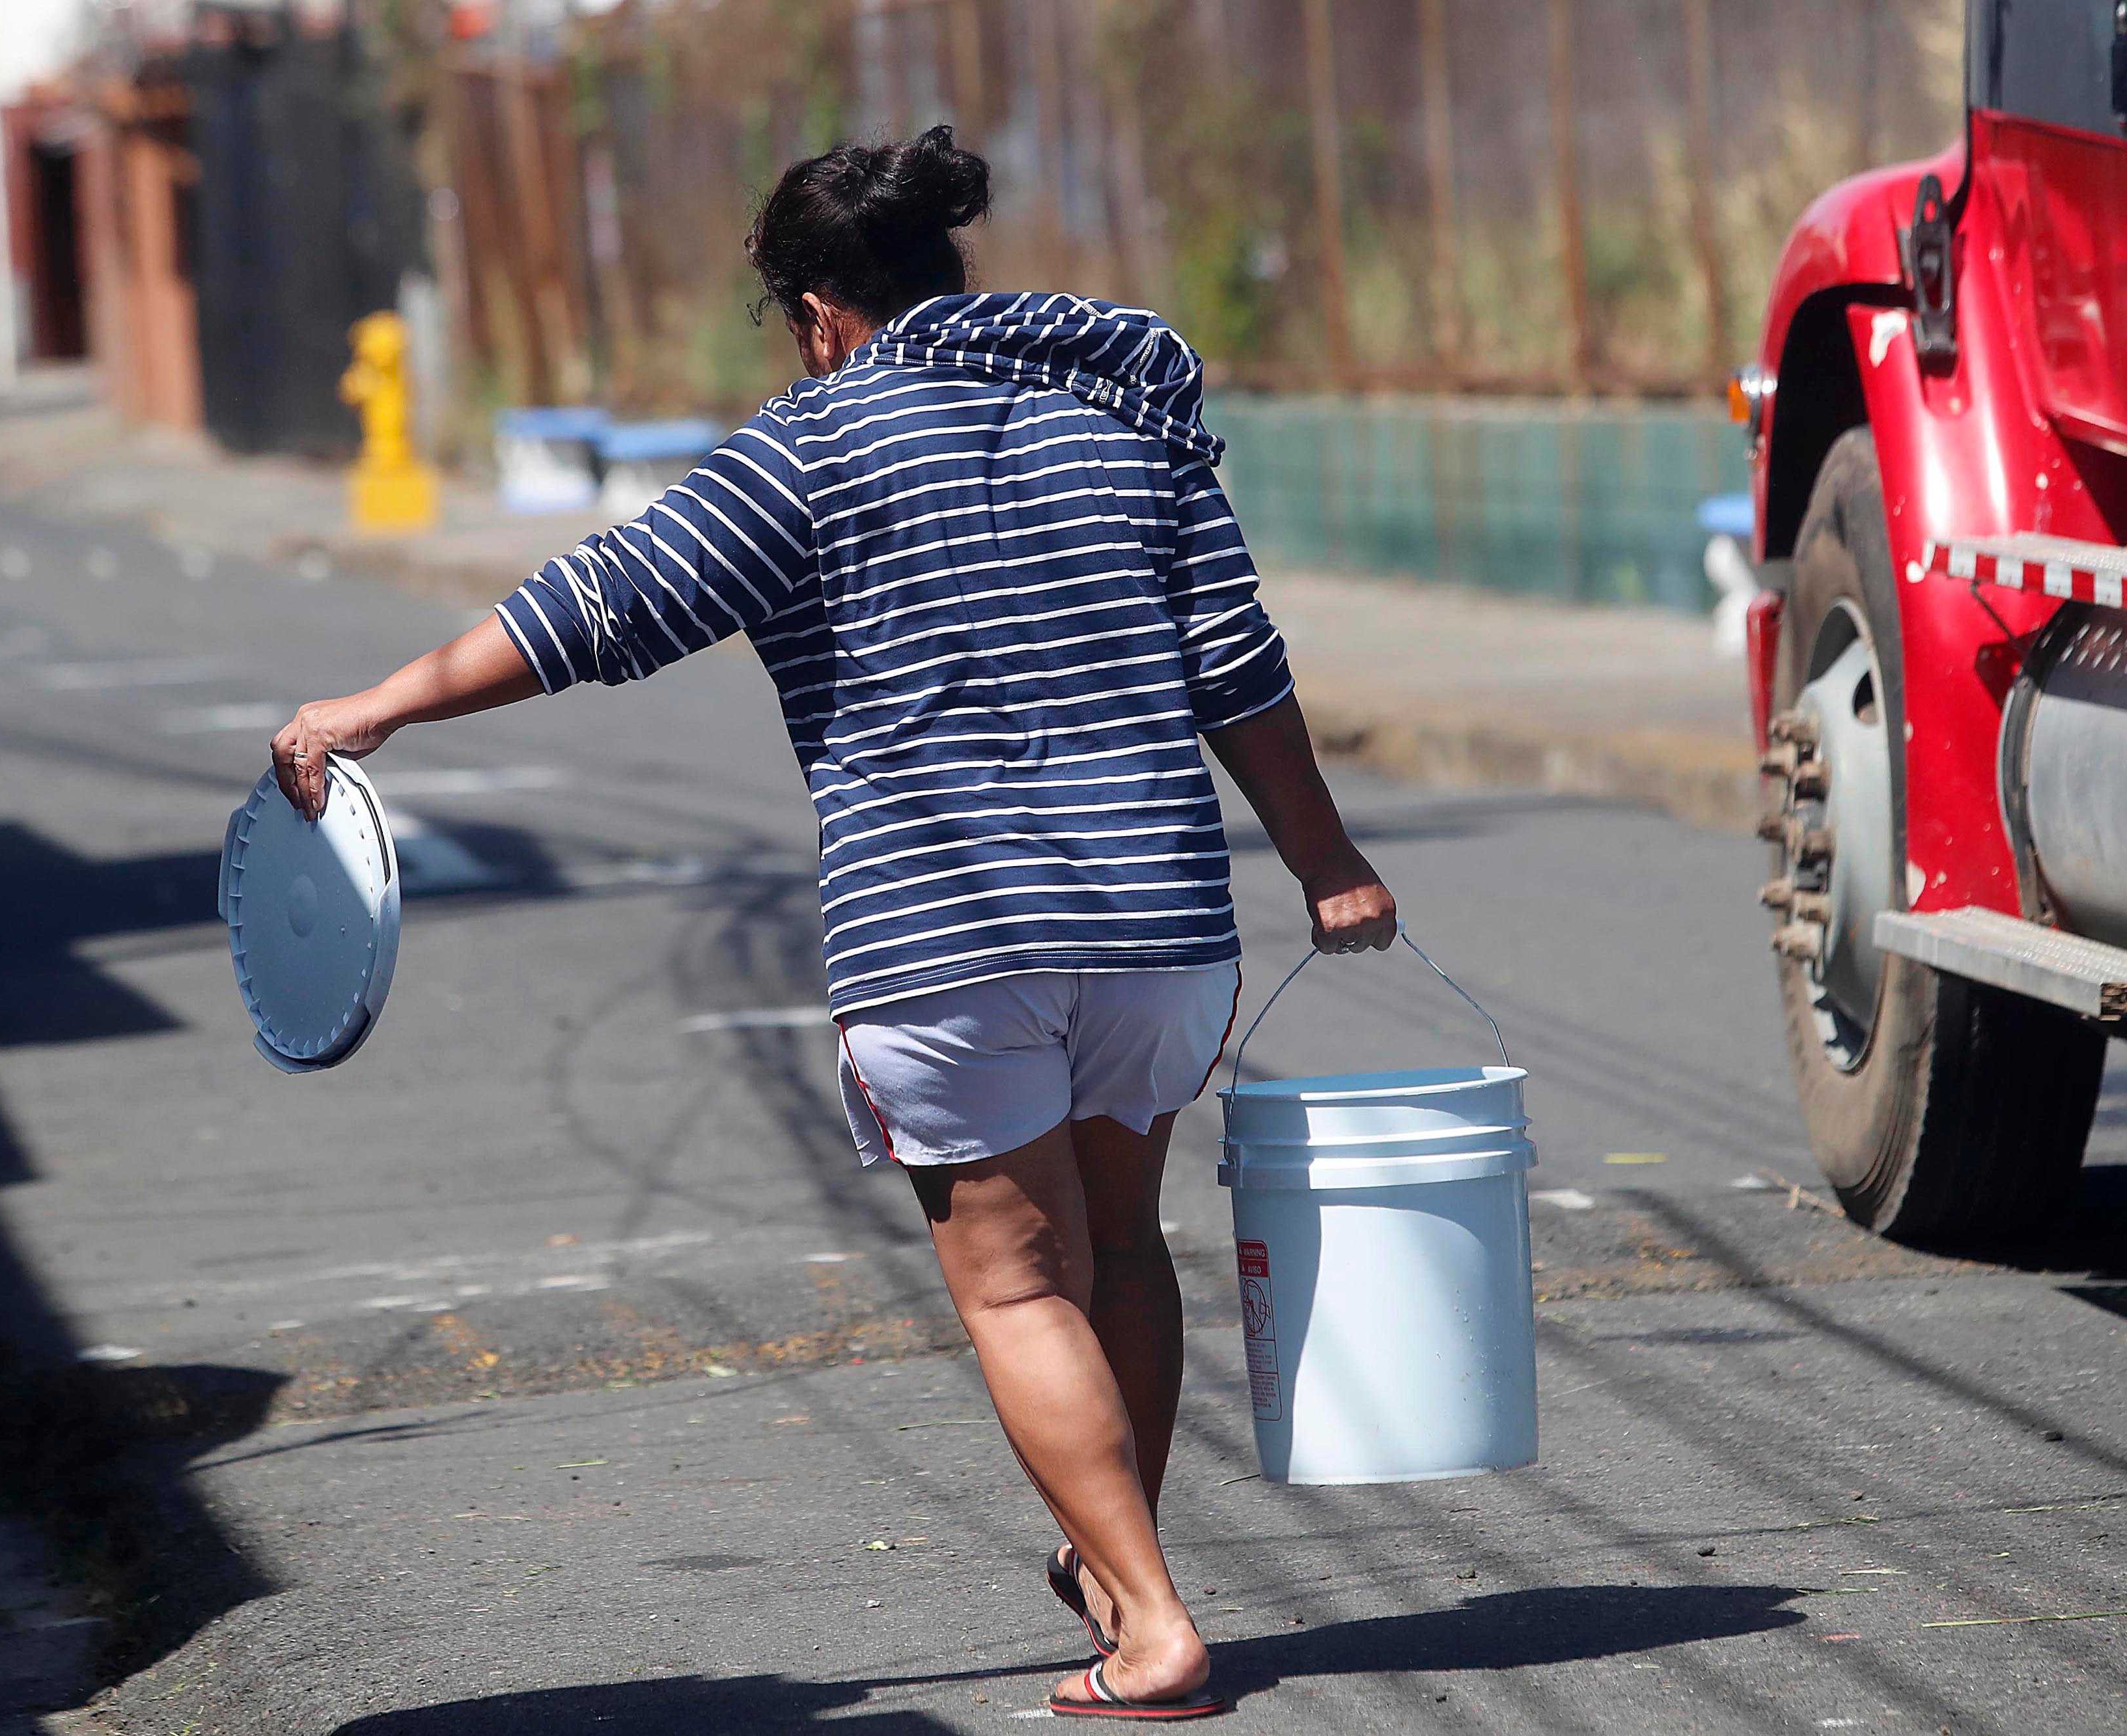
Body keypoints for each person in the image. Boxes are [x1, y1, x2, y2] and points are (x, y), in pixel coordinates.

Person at [272, 124, 1397, 1720]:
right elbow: (1238, 658)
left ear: (817, 314)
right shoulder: (1121, 411)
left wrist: (378, 706)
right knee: (1123, 1246)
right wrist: (1328, 861)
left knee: (1017, 1284)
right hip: (1157, 916)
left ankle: (1149, 1618)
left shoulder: (810, 448)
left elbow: (593, 609)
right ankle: (1116, 1567)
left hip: (944, 932)